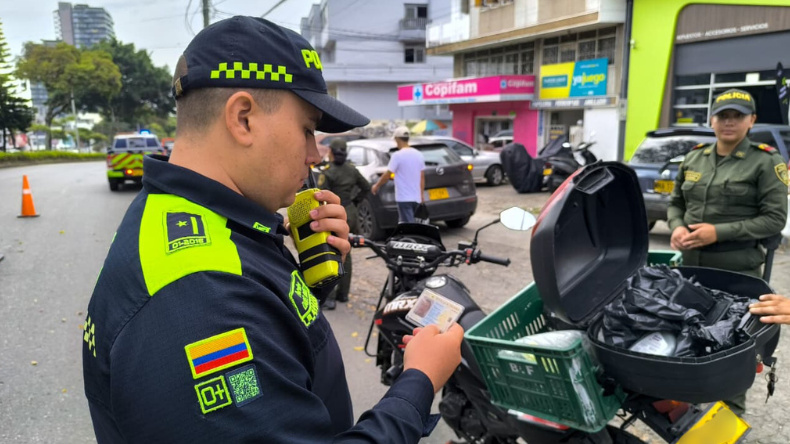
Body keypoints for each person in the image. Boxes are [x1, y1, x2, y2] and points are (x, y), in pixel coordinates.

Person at [82, 16, 463, 444]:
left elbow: (263, 342)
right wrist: (419, 381)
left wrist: (304, 283)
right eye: (306, 130)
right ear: (242, 118)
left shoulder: (192, 218)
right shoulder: (200, 300)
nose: (315, 154)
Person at [667, 89, 788, 415]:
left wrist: (717, 233)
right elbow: (676, 203)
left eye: (737, 115)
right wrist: (676, 226)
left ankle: (729, 416)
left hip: (737, 272)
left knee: (732, 350)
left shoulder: (765, 161)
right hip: (692, 269)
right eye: (723, 115)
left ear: (752, 120)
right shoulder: (694, 157)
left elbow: (775, 219)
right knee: (686, 337)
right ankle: (687, 406)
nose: (729, 122)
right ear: (712, 119)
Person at [317, 139, 370, 310]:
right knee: (347, 250)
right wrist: (356, 201)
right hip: (350, 212)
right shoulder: (352, 170)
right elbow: (367, 187)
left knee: (333, 251)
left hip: (334, 214)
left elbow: (320, 196)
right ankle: (343, 294)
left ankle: (330, 297)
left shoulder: (329, 172)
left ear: (331, 151)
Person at [371, 127, 425, 223]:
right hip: (416, 198)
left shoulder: (397, 156)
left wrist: (376, 185)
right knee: (411, 224)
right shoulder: (418, 154)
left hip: (404, 198)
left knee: (408, 226)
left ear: (397, 139)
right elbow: (422, 177)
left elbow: (388, 174)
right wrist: (421, 195)